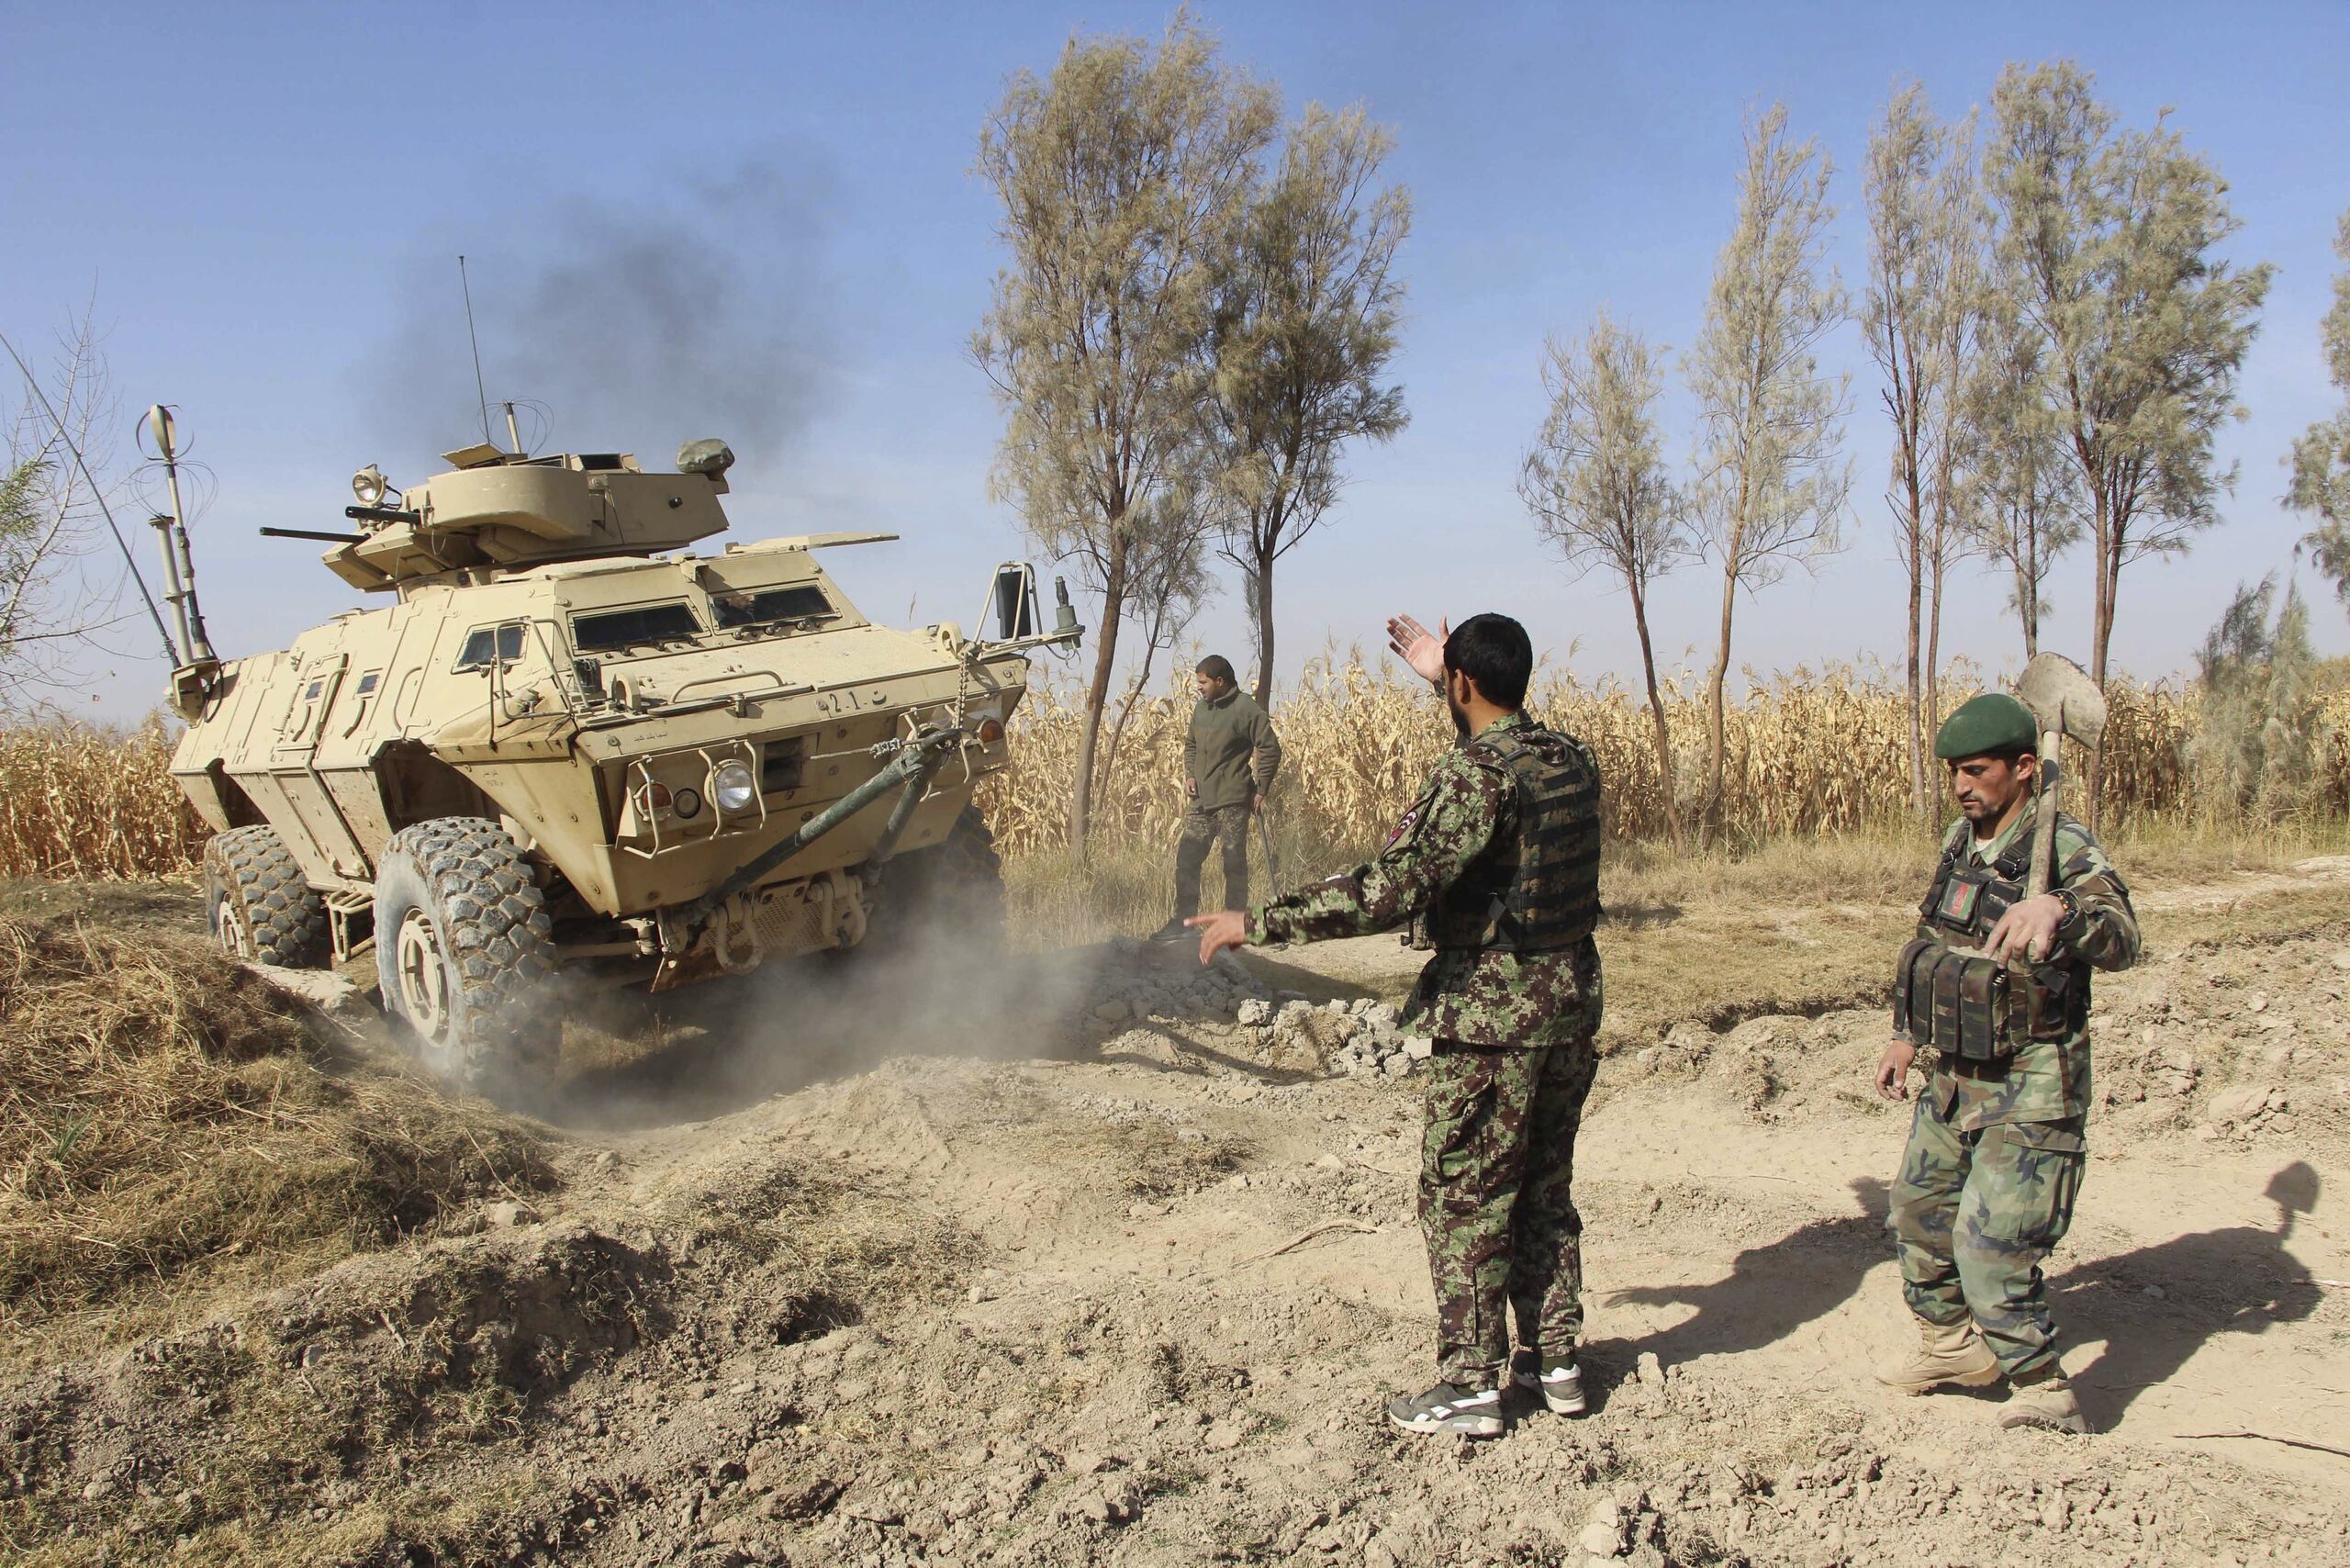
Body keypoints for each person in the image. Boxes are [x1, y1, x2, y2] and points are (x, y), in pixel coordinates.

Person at [1191, 613, 1604, 1439]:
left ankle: (1470, 1385)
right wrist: (1448, 677)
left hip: (1495, 1014)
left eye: (1451, 678)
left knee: (1464, 1196)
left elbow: (1391, 887)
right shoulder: (1569, 757)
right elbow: (1504, 755)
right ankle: (1554, 1359)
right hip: (1569, 1002)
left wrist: (1260, 922)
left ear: (1462, 684)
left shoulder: (1473, 777)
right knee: (1543, 1187)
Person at [1875, 691, 2140, 1434]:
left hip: (2034, 1076)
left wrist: (2060, 910)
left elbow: (2124, 939)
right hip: (1957, 1069)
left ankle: (2042, 1385)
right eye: (1954, 772)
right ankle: (1952, 1347)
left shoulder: (2064, 847)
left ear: (2026, 768)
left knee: (1990, 1244)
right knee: (1919, 1215)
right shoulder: (1963, 843)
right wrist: (1906, 1036)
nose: (1961, 785)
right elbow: (1933, 940)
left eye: (1977, 770)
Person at [1149, 655, 1282, 942]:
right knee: (1187, 859)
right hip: (1201, 802)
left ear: (1220, 682)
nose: (1199, 687)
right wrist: (1190, 775)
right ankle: (1182, 923)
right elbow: (1191, 745)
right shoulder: (1201, 707)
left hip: (1233, 799)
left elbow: (1270, 748)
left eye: (1203, 682)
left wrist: (1261, 789)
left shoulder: (1245, 708)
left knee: (1233, 863)